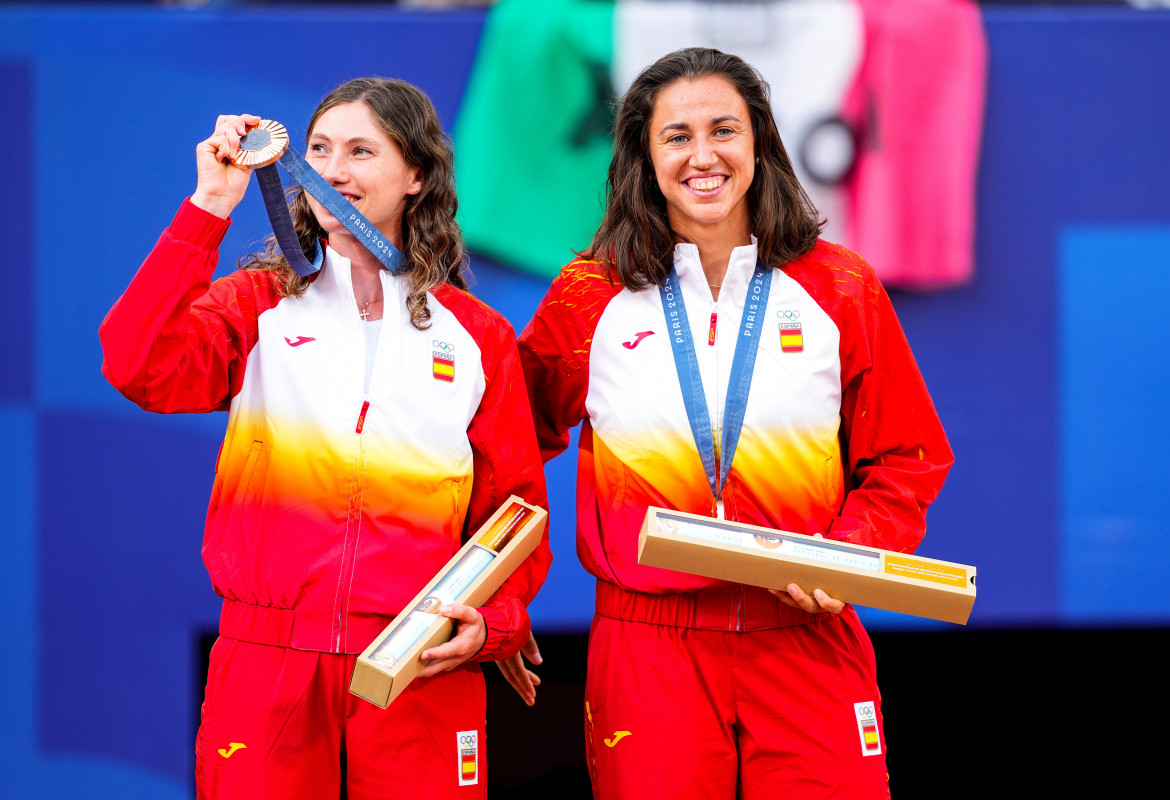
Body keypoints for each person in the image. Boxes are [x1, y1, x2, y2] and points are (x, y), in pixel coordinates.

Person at [512, 48, 952, 798]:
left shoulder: (839, 286)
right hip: (650, 642)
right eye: (675, 136)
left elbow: (906, 455)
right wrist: (501, 586)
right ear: (642, 159)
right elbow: (509, 447)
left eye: (723, 129)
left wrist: (844, 558)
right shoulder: (589, 295)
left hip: (803, 630)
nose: (702, 155)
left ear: (759, 143)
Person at [100, 77, 550, 799]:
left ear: (417, 176)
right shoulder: (257, 306)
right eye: (318, 150)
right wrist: (210, 204)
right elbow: (136, 364)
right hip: (267, 656)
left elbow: (514, 514)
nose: (334, 171)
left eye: (361, 151)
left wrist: (494, 621)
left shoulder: (478, 337)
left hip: (416, 660)